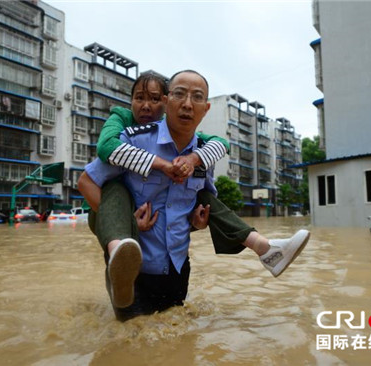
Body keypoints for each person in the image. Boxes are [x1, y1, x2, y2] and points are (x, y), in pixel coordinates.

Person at [80, 70, 310, 321]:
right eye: (179, 94)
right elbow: (87, 182)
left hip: (177, 269)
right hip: (135, 273)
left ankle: (265, 248)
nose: (188, 104)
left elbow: (192, 209)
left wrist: (195, 224)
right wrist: (127, 225)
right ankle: (118, 254)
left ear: (206, 108)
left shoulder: (204, 154)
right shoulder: (134, 141)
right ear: (167, 101)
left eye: (197, 97)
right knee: (128, 348)